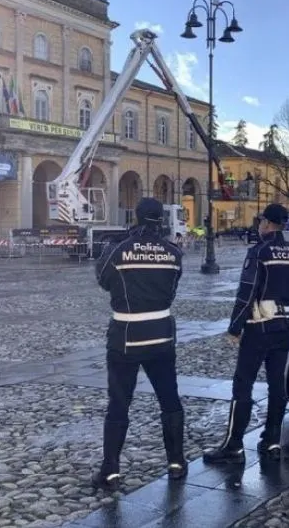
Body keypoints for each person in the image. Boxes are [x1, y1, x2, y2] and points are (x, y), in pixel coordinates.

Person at [92, 197, 188, 490]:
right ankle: (176, 463)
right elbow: (172, 287)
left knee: (119, 404)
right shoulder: (173, 252)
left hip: (126, 337)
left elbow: (103, 279)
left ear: (136, 216)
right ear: (161, 219)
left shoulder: (118, 250)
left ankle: (110, 470)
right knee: (169, 400)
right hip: (161, 335)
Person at [204, 203, 289, 463]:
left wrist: (234, 328)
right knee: (277, 386)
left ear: (268, 224)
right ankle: (272, 441)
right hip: (284, 324)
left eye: (262, 221)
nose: (260, 225)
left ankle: (234, 445)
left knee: (243, 385)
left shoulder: (259, 251)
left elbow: (247, 291)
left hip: (259, 325)